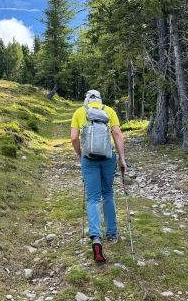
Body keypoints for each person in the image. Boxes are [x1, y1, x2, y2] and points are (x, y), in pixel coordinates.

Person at [70, 89, 127, 262]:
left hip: (89, 159)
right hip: (108, 157)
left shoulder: (79, 112)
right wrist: (122, 159)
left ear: (86, 100)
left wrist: (80, 154)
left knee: (93, 198)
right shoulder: (109, 111)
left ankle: (96, 237)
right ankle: (112, 234)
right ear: (100, 99)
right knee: (108, 193)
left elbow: (74, 138)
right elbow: (117, 134)